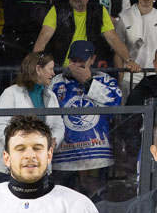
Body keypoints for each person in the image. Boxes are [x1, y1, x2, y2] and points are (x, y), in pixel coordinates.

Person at [0, 52, 64, 183]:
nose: (53, 73)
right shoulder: (10, 93)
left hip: (38, 165)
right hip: (6, 168)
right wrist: (20, 145)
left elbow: (59, 126)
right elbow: (0, 128)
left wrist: (52, 141)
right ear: (38, 69)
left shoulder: (52, 96)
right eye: (50, 69)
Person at [33, 0, 137, 71]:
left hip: (89, 70)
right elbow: (43, 37)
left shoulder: (99, 11)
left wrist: (129, 60)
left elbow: (113, 38)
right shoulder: (57, 10)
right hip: (61, 70)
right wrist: (34, 63)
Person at [49, 41, 121, 183]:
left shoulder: (105, 80)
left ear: (92, 59)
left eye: (81, 61)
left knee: (95, 195)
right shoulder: (56, 82)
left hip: (97, 156)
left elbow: (115, 103)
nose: (76, 65)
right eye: (73, 60)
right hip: (63, 158)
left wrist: (88, 81)